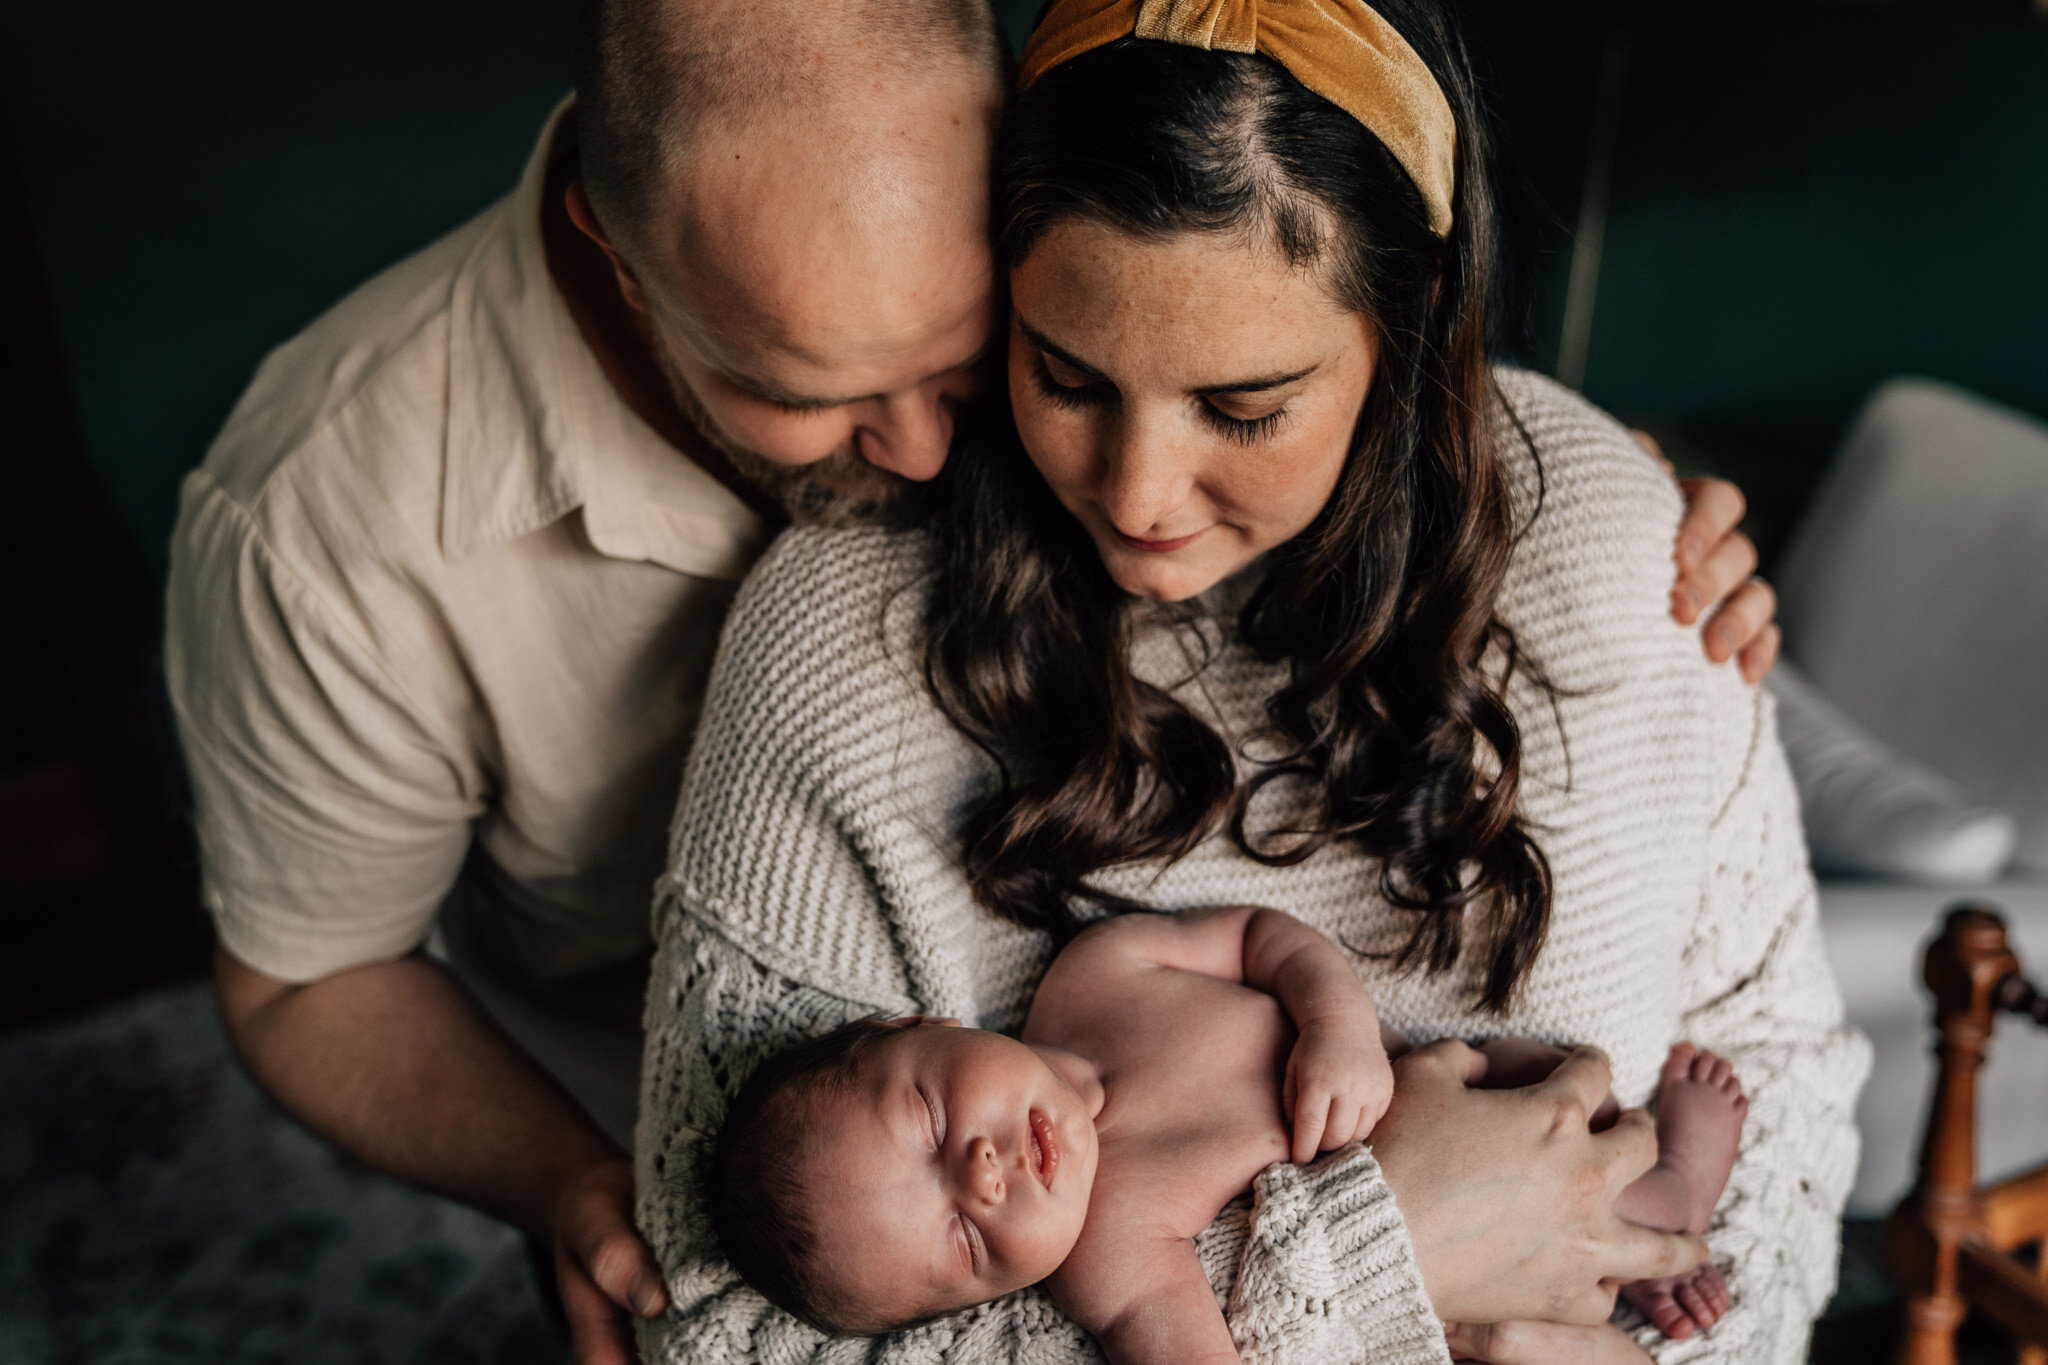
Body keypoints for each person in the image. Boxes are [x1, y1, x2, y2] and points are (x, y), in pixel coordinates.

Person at [162, 0, 1778, 1360]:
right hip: (734, 1151)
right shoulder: (324, 527)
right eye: (812, 392)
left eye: (974, 355)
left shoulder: (1384, 477)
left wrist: (1576, 502)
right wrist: (589, 1189)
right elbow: (310, 977)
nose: (937, 460)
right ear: (617, 245)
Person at [634, 1, 1868, 1362]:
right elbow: (735, 1331)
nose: (1140, 492)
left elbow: (1784, 1088)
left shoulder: (1617, 541)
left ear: (1411, 326)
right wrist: (1377, 1259)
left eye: (1244, 408)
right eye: (1066, 375)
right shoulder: (837, 655)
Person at [706, 906, 1748, 1352]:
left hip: (1436, 1080)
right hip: (1460, 1275)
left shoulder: (1096, 975)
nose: (981, 1178)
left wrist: (1333, 1023)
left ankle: (1656, 1221)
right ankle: (1678, 1200)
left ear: (917, 1023)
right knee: (1598, 1245)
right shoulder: (1108, 1251)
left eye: (932, 1121)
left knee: (1546, 1072)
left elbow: (1261, 938)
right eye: (970, 1243)